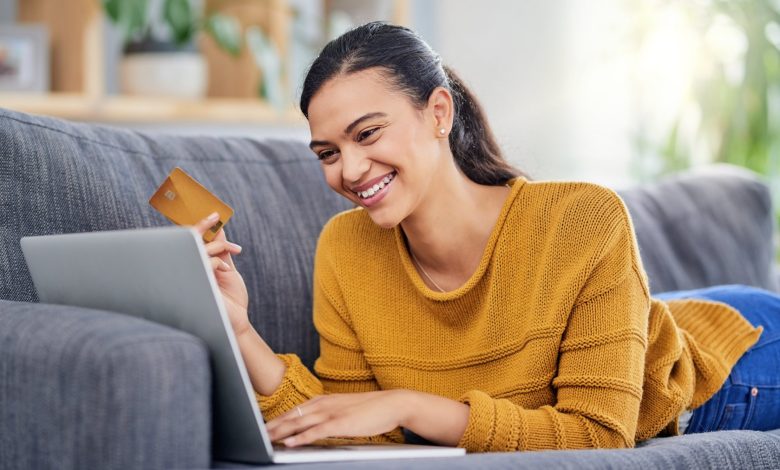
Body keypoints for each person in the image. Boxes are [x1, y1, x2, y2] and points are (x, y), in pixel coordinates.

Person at [192, 22, 780, 452]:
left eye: (367, 133)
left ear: (438, 113)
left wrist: (412, 405)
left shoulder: (585, 218)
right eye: (328, 152)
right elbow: (353, 426)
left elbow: (599, 435)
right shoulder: (345, 248)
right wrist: (239, 330)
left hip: (732, 361)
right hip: (633, 327)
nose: (347, 171)